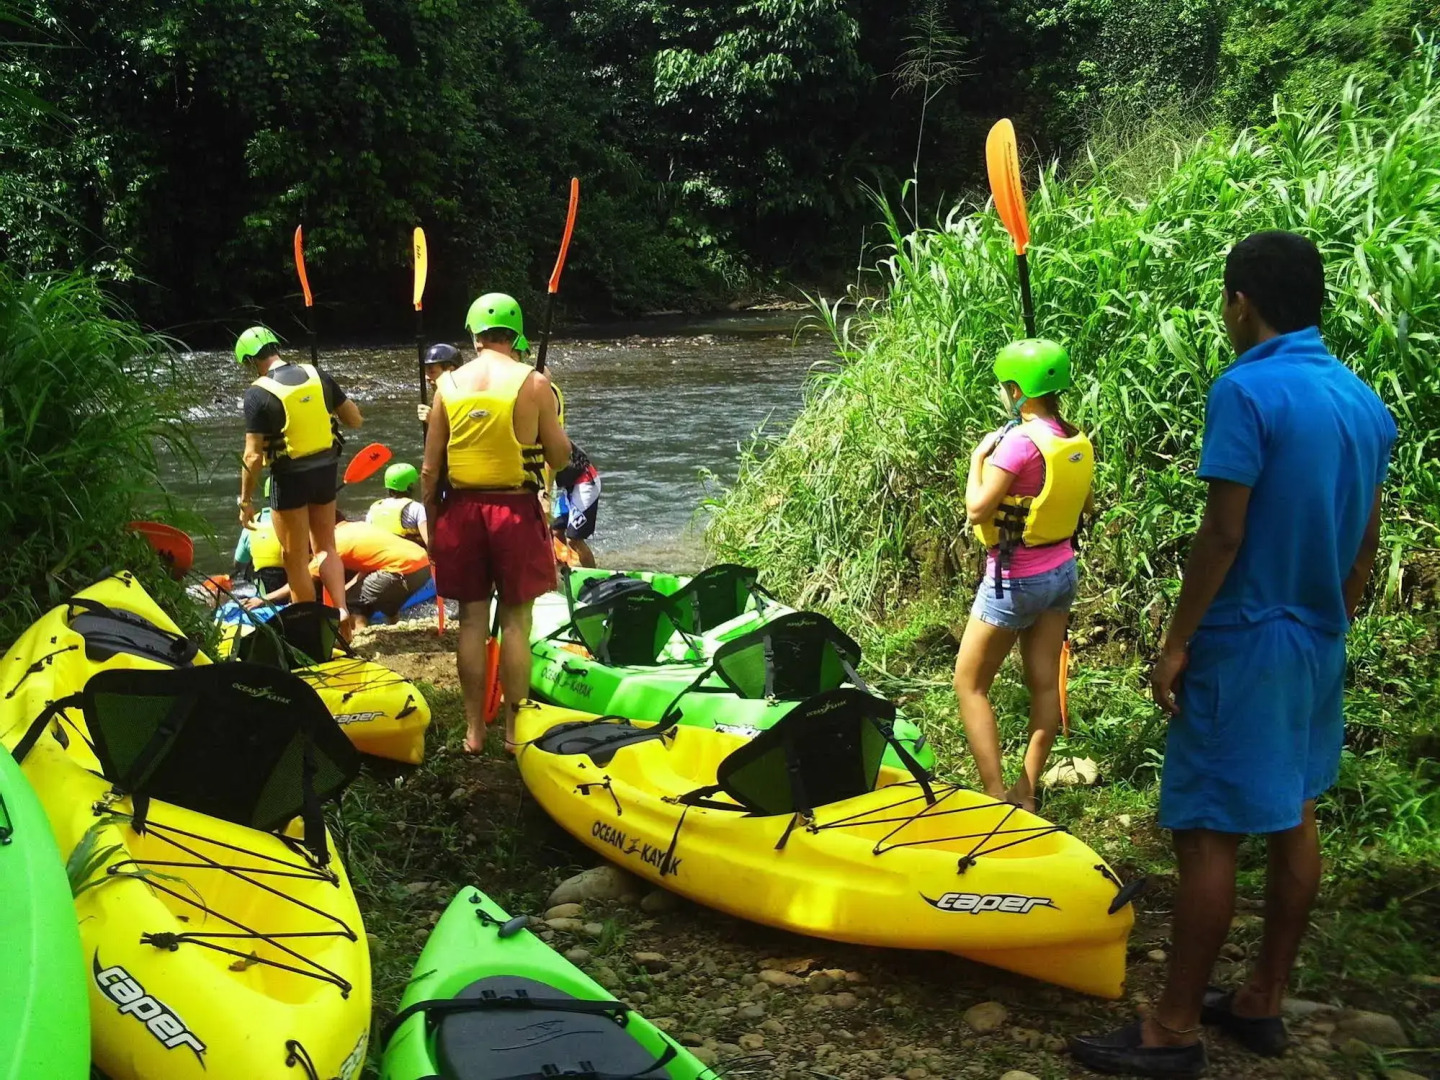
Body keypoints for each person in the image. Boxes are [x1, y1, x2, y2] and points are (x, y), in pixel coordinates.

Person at [1071, 232, 1395, 1078]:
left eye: (1227, 301)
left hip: (1248, 636)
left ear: (1241, 302)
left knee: (1207, 829)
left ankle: (1173, 1028)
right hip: (1321, 637)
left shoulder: (1247, 389)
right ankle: (1263, 997)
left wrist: (1176, 644)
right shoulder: (1363, 402)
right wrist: (1331, 619)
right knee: (1294, 808)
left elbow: (1224, 531)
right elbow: (1365, 545)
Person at [422, 292, 570, 754]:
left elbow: (430, 470)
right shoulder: (535, 383)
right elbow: (561, 456)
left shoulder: (446, 386)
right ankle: (513, 732)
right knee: (516, 623)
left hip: (461, 512)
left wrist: (431, 517)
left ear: (474, 333)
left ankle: (473, 731)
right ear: (516, 334)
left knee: (470, 619)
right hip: (514, 511)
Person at [952, 339, 1094, 812]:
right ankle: (1025, 791)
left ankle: (996, 797)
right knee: (1042, 684)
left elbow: (977, 509)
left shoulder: (1015, 444)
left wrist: (978, 458)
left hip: (1015, 580)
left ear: (1016, 390)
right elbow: (1083, 505)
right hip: (1061, 572)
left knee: (969, 684)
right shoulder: (1074, 438)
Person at [234, 326, 362, 633]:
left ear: (251, 360)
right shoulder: (318, 375)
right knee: (326, 547)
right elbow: (355, 419)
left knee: (293, 559)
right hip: (324, 471)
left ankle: (311, 629)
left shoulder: (257, 393)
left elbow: (252, 456)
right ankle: (342, 610)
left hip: (289, 478)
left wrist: (246, 500)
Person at [263, 515, 432, 628]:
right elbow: (371, 565)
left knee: (350, 603)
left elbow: (300, 581)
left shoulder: (332, 546)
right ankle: (394, 628)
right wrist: (348, 586)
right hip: (422, 565)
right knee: (380, 597)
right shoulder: (355, 527)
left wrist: (263, 599)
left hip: (400, 570)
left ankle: (360, 636)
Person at [550, 442, 601, 568]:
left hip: (585, 482)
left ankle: (594, 574)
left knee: (574, 540)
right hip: (570, 486)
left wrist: (545, 494)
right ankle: (566, 568)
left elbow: (549, 466)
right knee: (555, 531)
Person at [367, 462, 429, 547]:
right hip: (406, 557)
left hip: (379, 556)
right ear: (410, 485)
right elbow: (428, 541)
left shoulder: (375, 507)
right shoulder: (416, 508)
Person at [417, 343, 462, 425]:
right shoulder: (437, 398)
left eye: (432, 372)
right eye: (425, 372)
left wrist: (433, 421)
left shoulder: (461, 398)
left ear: (450, 370)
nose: (426, 377)